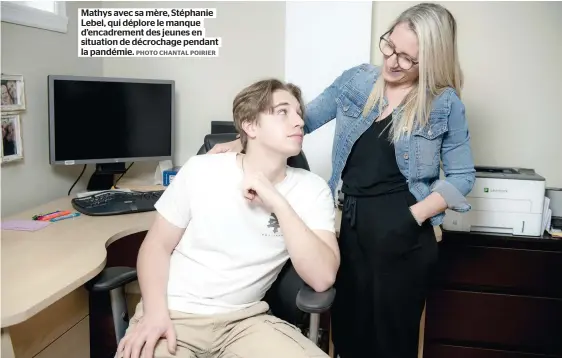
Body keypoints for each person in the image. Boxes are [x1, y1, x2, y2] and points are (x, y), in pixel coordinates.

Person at [208, 3, 476, 358]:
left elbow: (462, 177)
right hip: (351, 226)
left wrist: (412, 217)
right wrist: (242, 141)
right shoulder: (357, 81)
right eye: (389, 48)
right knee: (349, 335)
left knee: (392, 344)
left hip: (405, 235)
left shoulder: (444, 104)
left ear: (433, 59)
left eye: (408, 58)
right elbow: (300, 121)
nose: (393, 62)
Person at [116, 79, 340, 358]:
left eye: (298, 113)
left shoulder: (312, 189)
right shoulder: (202, 170)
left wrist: (278, 204)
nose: (299, 122)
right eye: (283, 112)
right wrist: (154, 313)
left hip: (245, 323)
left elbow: (322, 279)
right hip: (174, 314)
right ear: (250, 125)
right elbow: (155, 247)